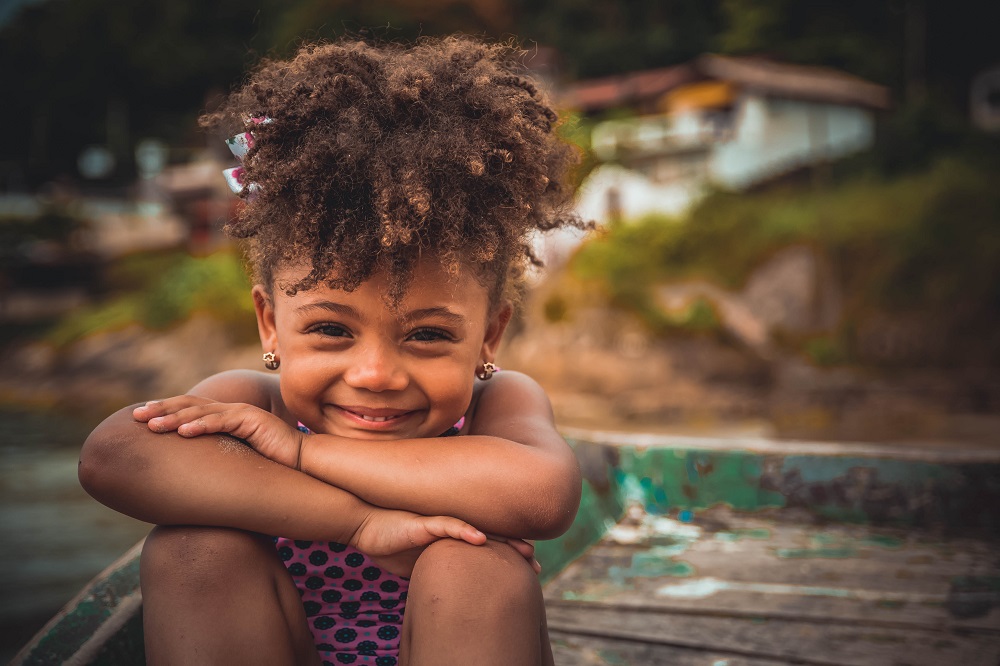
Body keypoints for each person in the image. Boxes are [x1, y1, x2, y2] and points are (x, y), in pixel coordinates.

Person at [79, 35, 587, 666]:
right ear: (270, 324)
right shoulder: (251, 401)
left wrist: (300, 450)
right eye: (331, 330)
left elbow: (543, 495)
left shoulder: (496, 405)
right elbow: (114, 458)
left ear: (488, 337)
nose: (374, 374)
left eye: (427, 334)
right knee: (192, 549)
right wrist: (355, 524)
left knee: (474, 565)